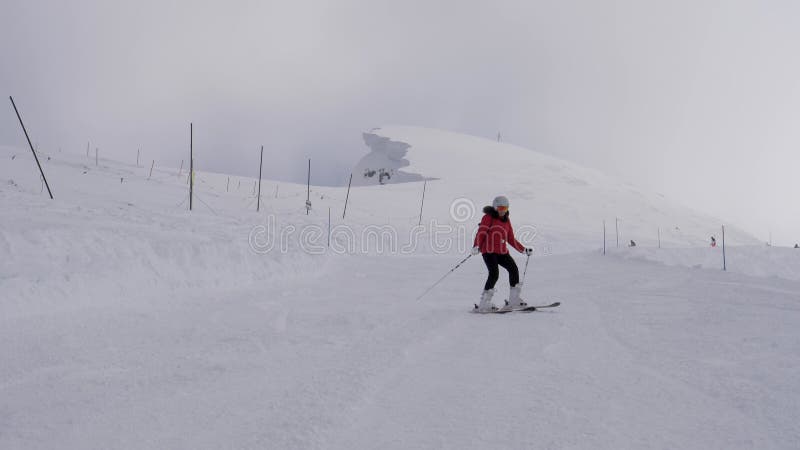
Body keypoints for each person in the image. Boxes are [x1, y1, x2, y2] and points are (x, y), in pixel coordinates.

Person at [471, 196, 533, 312]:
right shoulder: (488, 217)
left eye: (505, 208)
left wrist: (523, 249)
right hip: (489, 251)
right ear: (495, 207)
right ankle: (484, 303)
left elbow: (510, 238)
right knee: (494, 274)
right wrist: (476, 246)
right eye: (500, 207)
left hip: (502, 252)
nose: (502, 210)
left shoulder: (506, 220)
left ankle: (514, 300)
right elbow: (481, 232)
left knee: (513, 269)